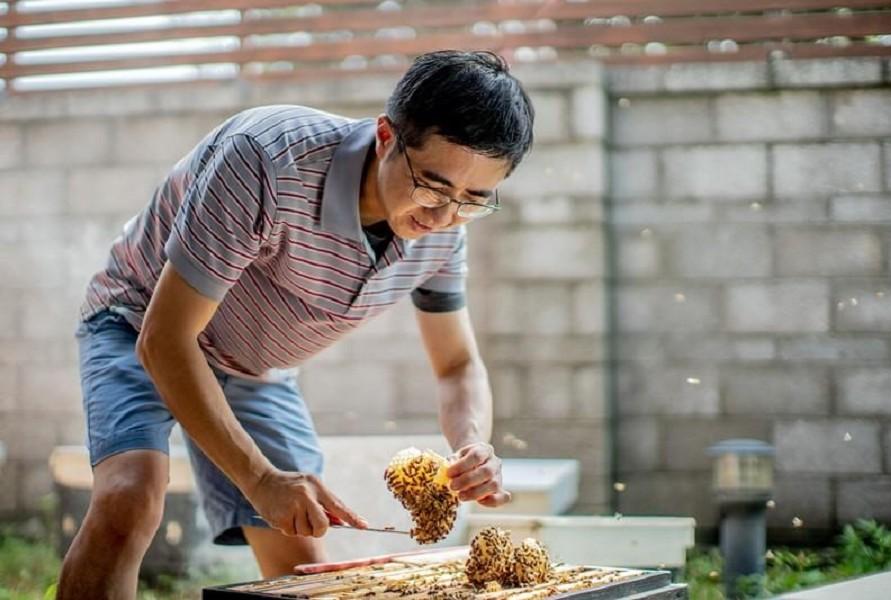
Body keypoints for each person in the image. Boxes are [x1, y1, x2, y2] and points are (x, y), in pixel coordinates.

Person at [57, 49, 535, 599]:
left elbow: (456, 365)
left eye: (473, 199)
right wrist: (259, 479)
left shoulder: (446, 231)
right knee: (131, 497)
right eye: (431, 185)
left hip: (253, 365)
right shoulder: (266, 158)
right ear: (386, 136)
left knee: (302, 554)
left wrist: (472, 446)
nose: (442, 215)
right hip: (139, 318)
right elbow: (165, 339)